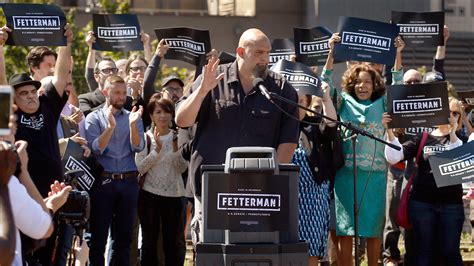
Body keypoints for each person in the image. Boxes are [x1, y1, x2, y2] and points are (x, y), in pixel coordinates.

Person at [175, 28, 299, 246]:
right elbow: (182, 120)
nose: (265, 59)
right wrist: (202, 91)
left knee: (253, 256)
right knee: (212, 255)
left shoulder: (281, 89)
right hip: (211, 190)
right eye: (259, 52)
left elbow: (288, 141)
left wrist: (271, 185)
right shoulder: (213, 79)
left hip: (259, 196)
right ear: (240, 51)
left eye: (268, 53)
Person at [383, 97, 464, 266]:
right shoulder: (422, 137)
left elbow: (457, 162)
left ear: (460, 118)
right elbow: (395, 156)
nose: (451, 116)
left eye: (456, 113)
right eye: (447, 111)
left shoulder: (461, 140)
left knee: (450, 254)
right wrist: (390, 132)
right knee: (423, 255)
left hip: (451, 206)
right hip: (422, 205)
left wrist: (453, 133)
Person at [85, 75, 144, 266]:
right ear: (105, 92)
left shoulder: (132, 116)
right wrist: (110, 127)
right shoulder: (93, 117)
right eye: (117, 93)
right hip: (104, 183)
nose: (121, 97)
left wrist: (134, 125)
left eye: (124, 93)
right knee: (98, 237)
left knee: (123, 239)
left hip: (128, 182)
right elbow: (96, 149)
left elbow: (138, 146)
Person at [135, 96, 188, 266]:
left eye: (166, 111)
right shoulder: (146, 137)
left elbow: (182, 168)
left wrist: (174, 149)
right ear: (151, 115)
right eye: (158, 112)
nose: (163, 116)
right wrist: (156, 151)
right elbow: (140, 167)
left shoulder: (179, 137)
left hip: (174, 195)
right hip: (149, 195)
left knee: (172, 242)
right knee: (149, 241)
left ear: (172, 115)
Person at [291, 81, 337, 266]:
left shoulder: (313, 125)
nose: (297, 105)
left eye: (301, 101)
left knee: (310, 247)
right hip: (286, 196)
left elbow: (331, 126)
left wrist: (326, 99)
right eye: (293, 101)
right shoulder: (275, 126)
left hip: (313, 196)